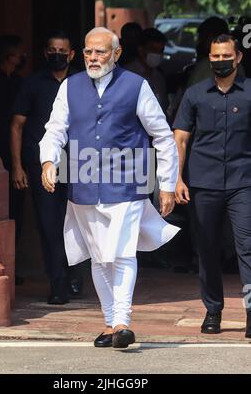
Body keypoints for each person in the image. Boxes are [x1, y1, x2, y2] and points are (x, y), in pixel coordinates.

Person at [39, 27, 180, 348]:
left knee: (122, 251)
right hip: (84, 185)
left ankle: (123, 322)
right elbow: (54, 129)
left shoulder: (136, 86)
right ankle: (109, 323)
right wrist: (48, 161)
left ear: (116, 54)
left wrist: (167, 184)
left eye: (100, 52)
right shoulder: (70, 87)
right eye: (88, 51)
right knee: (100, 257)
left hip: (127, 184)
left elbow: (163, 136)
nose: (92, 57)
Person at [173, 34, 251, 337]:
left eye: (226, 56)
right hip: (203, 183)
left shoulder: (249, 94)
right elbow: (180, 138)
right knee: (206, 249)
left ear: (239, 57)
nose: (220, 62)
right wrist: (176, 178)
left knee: (248, 247)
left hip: (244, 182)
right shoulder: (195, 94)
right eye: (215, 57)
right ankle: (213, 310)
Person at [11, 30, 83, 305]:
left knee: (79, 222)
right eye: (52, 50)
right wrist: (18, 166)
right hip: (44, 166)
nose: (57, 55)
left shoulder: (83, 83)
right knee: (50, 225)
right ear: (45, 53)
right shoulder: (32, 84)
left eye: (62, 51)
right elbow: (17, 125)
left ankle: (76, 275)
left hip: (79, 163)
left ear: (72, 54)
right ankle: (58, 284)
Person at [0, 34, 26, 285]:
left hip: (15, 153)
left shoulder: (18, 82)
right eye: (18, 54)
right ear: (8, 56)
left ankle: (11, 267)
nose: (22, 58)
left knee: (16, 212)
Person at [124, 27, 169, 116]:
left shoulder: (158, 76)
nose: (157, 54)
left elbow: (164, 106)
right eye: (153, 50)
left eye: (161, 50)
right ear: (141, 50)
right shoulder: (127, 76)